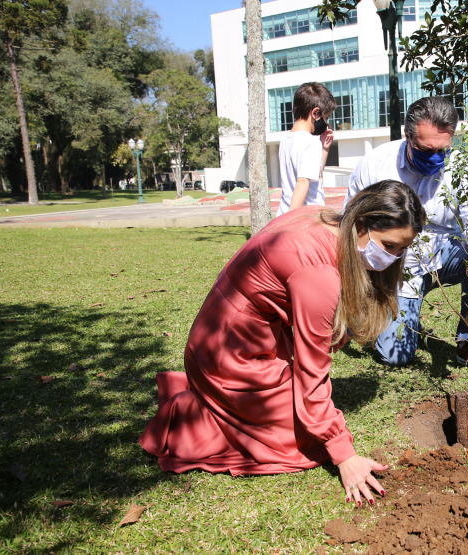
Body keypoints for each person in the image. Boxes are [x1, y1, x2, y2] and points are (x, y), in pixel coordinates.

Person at [140, 180, 426, 506]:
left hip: (229, 341)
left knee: (303, 422)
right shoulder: (318, 274)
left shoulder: (323, 217)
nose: (394, 257)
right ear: (362, 224)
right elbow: (311, 374)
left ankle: (220, 404)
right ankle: (189, 423)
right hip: (228, 358)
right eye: (389, 246)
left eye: (403, 249)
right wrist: (344, 455)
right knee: (305, 444)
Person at [343, 96, 468, 374]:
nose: (437, 158)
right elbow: (353, 227)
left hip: (445, 256)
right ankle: (382, 309)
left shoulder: (460, 166)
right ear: (407, 136)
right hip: (397, 268)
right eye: (426, 150)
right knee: (396, 356)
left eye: (443, 149)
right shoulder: (376, 166)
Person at [276, 82, 336, 216]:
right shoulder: (310, 142)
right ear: (315, 113)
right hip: (306, 218)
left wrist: (324, 148)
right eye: (326, 118)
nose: (326, 124)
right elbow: (302, 182)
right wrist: (290, 221)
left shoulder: (285, 140)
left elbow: (315, 173)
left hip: (283, 212)